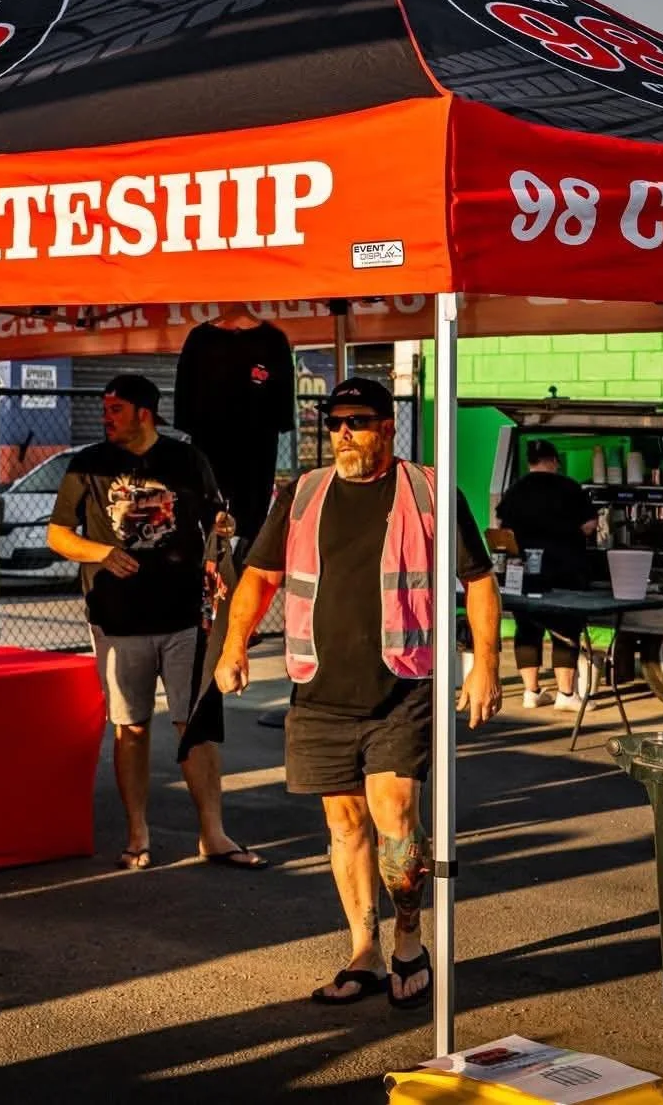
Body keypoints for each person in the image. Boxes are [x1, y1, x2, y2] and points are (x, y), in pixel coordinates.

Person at [215, 377, 503, 1011]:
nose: (343, 432)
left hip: (401, 686)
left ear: (387, 427)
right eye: (335, 420)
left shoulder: (429, 491)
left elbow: (478, 581)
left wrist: (486, 664)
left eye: (358, 421)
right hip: (318, 691)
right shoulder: (302, 494)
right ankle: (363, 950)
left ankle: (409, 939)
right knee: (344, 826)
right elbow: (259, 577)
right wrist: (234, 646)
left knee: (397, 821)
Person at [46, 374, 267, 873]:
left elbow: (216, 523)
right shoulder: (88, 465)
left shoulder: (187, 461)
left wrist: (225, 541)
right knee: (132, 728)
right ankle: (137, 833)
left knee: (197, 726)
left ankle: (213, 833)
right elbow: (58, 534)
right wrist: (102, 552)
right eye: (105, 407)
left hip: (184, 617)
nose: (106, 416)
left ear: (144, 413)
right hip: (116, 622)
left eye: (116, 408)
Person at [495, 440, 600, 710]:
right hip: (565, 571)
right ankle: (566, 695)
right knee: (565, 630)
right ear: (553, 460)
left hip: (525, 573)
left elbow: (501, 527)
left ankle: (531, 692)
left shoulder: (515, 491)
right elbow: (589, 526)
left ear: (531, 461)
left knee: (527, 629)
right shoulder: (569, 487)